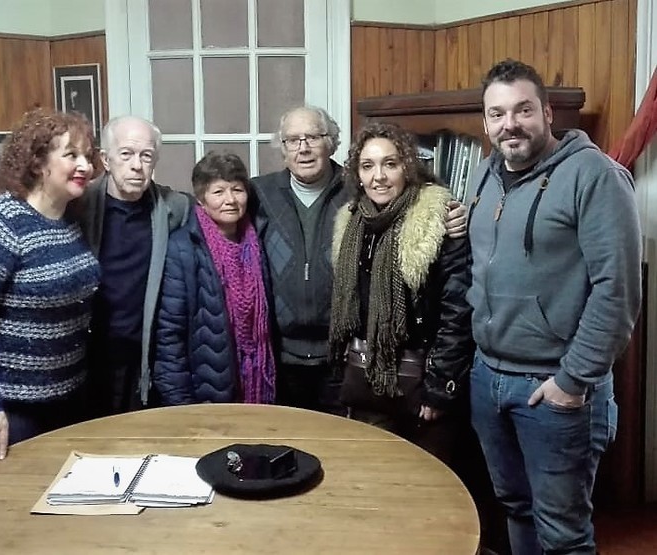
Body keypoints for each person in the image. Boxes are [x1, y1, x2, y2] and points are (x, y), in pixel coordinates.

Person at [466, 59, 642, 555]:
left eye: (523, 110)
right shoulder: (482, 175)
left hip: (554, 390)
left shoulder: (596, 177)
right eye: (497, 114)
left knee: (563, 534)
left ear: (546, 113)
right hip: (488, 378)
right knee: (515, 508)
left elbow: (618, 290)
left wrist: (572, 382)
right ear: (485, 123)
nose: (510, 124)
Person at [252, 105, 468, 414]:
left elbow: (419, 207)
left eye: (313, 136)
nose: (304, 148)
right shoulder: (259, 193)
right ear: (282, 148)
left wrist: (451, 212)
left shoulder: (356, 193)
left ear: (332, 142)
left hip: (345, 359)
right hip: (279, 356)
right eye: (293, 140)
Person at [0, 108, 101, 465]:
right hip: (6, 410)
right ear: (38, 162)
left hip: (64, 400)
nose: (85, 166)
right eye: (71, 155)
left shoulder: (71, 221)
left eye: (88, 156)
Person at [328, 122, 473, 462]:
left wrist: (438, 390)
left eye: (390, 164)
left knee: (429, 487)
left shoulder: (437, 219)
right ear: (358, 174)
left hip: (421, 387)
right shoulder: (350, 223)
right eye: (368, 166)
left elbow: (457, 313)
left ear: (407, 166)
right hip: (368, 386)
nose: (379, 176)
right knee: (376, 479)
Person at [75, 116, 191, 416]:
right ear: (106, 159)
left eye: (146, 155)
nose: (137, 165)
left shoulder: (175, 208)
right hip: (86, 358)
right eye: (126, 154)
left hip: (144, 359)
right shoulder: (77, 207)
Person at [153, 151, 275, 404]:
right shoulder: (182, 248)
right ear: (201, 199)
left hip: (256, 380)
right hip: (205, 389)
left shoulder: (259, 242)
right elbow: (170, 335)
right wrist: (179, 402)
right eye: (218, 192)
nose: (230, 200)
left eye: (237, 190)